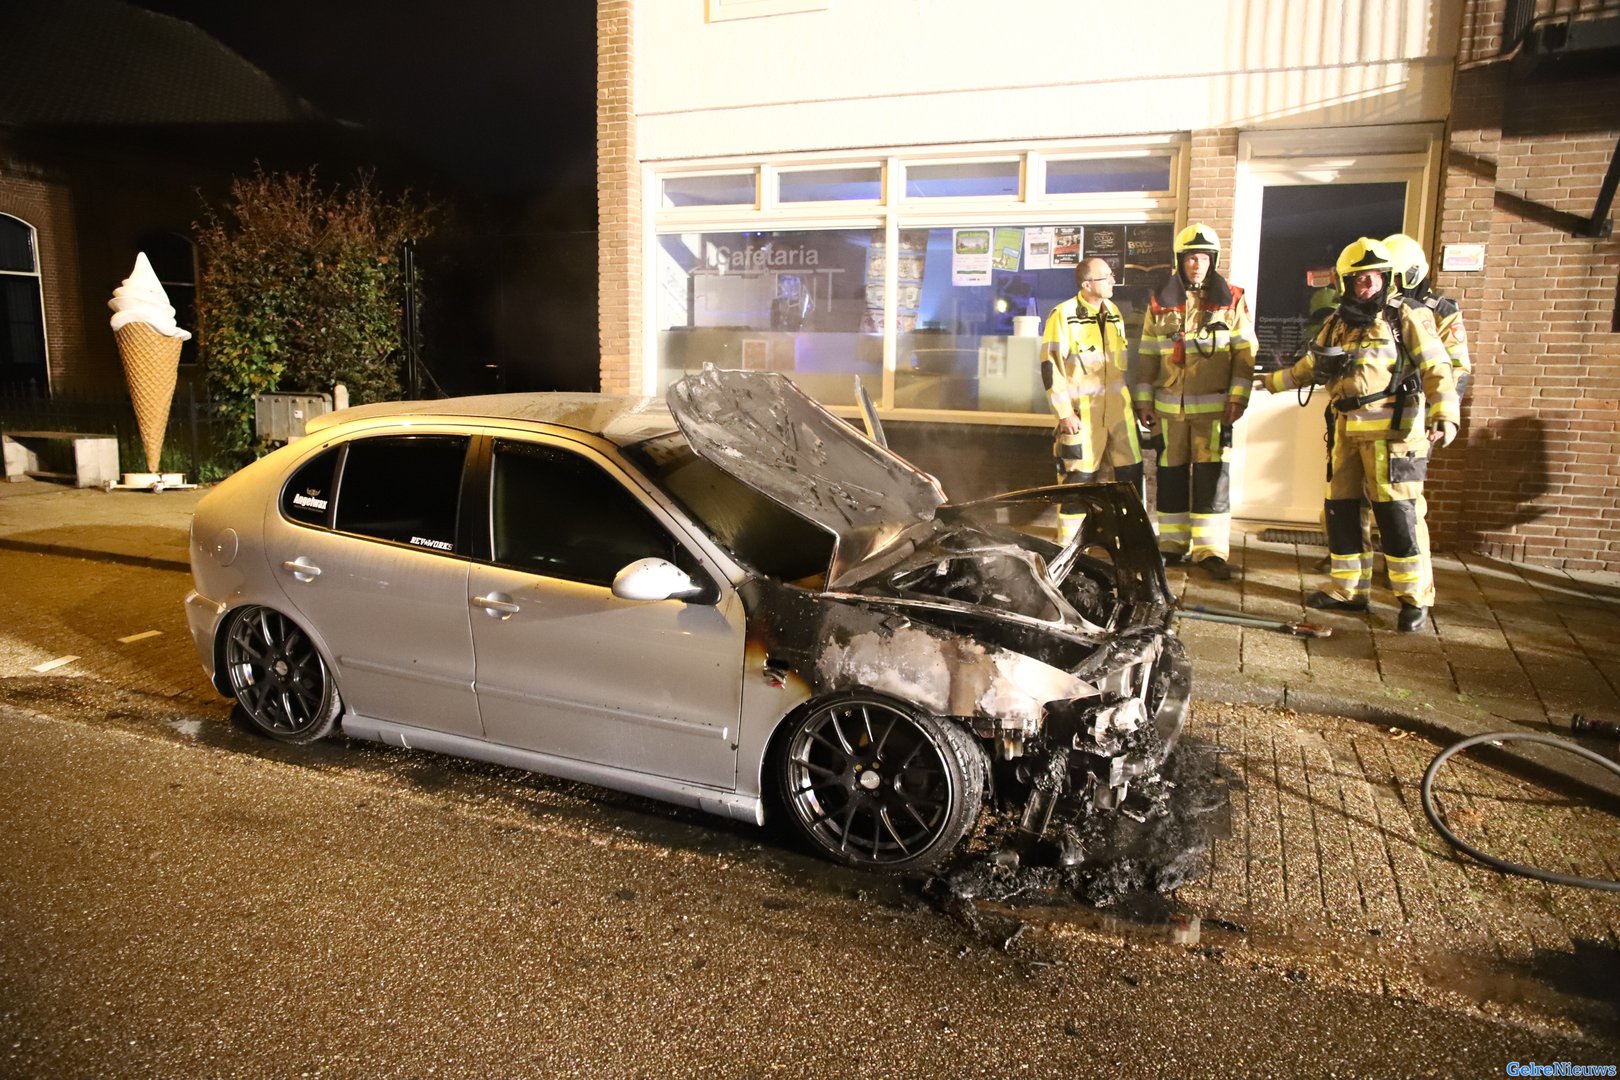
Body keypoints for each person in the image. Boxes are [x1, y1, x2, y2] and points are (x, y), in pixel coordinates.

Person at [1262, 237, 1459, 632]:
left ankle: (1412, 598)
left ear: (1384, 278)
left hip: (1395, 434)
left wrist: (1446, 415)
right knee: (1343, 511)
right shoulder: (1338, 322)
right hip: (1346, 430)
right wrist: (1270, 381)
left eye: (1372, 278)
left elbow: (1438, 366)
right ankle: (1349, 590)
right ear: (1346, 283)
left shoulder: (1406, 315)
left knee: (1397, 515)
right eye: (1358, 279)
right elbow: (1308, 366)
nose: (1365, 285)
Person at [1134, 223, 1256, 580]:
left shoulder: (1231, 299)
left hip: (1215, 413)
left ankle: (1210, 550)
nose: (1196, 266)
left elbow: (1245, 354)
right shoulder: (1160, 300)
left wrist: (1238, 398)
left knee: (1211, 478)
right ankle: (1172, 544)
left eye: (1202, 258)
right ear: (1180, 260)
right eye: (1190, 258)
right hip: (1169, 411)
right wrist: (1144, 401)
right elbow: (1147, 355)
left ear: (1212, 260)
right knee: (1170, 476)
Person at [1041, 256, 1143, 544]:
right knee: (1078, 483)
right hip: (1082, 416)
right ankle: (1069, 546)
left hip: (1119, 414)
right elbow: (1050, 368)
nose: (1113, 281)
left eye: (1112, 275)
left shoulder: (1113, 312)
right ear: (1087, 285)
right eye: (1106, 277)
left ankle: (1132, 542)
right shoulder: (1063, 315)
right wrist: (1064, 414)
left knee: (1129, 478)